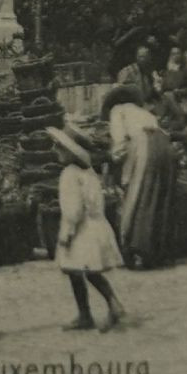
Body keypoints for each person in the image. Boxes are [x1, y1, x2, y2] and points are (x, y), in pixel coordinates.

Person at [48, 126, 127, 332]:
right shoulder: (89, 172)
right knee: (81, 271)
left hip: (81, 230)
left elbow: (73, 210)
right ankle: (89, 312)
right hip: (96, 226)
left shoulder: (69, 175)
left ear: (70, 151)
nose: (55, 150)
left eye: (59, 146)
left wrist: (67, 234)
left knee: (81, 270)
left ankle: (110, 305)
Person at [103, 84, 177, 269]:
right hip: (164, 146)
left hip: (145, 147)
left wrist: (113, 157)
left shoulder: (117, 111)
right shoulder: (145, 113)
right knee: (159, 196)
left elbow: (120, 142)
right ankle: (159, 251)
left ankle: (136, 250)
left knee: (139, 196)